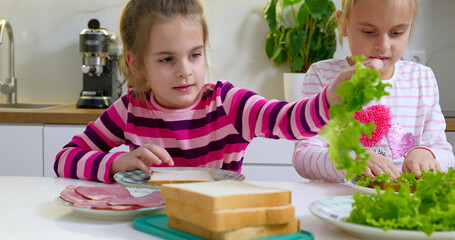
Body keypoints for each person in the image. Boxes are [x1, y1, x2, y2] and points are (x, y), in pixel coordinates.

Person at [54, 0, 365, 183]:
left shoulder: (227, 104)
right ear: (136, 63)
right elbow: (65, 158)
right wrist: (118, 163)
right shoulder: (129, 109)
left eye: (195, 54)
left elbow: (289, 121)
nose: (184, 70)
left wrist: (329, 100)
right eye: (166, 59)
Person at [292, 0, 455, 182]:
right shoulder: (323, 76)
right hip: (336, 203)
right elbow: (303, 156)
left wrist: (427, 154)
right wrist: (352, 159)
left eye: (397, 33)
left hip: (398, 204)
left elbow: (446, 154)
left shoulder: (421, 78)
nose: (383, 45)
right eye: (369, 32)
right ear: (343, 24)